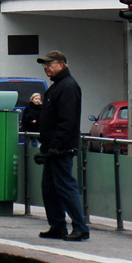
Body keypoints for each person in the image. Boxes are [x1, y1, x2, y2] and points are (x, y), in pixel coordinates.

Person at [35, 50, 89, 242]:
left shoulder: (66, 86)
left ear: (62, 65)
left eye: (50, 64)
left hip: (61, 149)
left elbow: (67, 120)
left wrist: (55, 146)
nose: (46, 68)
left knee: (65, 186)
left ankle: (80, 227)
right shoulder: (57, 87)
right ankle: (58, 226)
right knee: (49, 188)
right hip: (53, 148)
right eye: (44, 65)